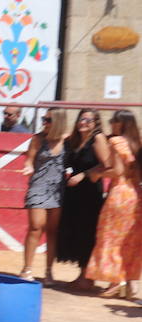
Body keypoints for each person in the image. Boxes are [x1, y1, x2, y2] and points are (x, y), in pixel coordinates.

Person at [84, 110, 142, 298]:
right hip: (135, 195)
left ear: (121, 123)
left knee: (111, 238)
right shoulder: (137, 144)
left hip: (119, 194)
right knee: (130, 241)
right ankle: (129, 286)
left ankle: (115, 282)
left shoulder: (116, 142)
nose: (111, 124)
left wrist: (97, 174)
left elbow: (116, 171)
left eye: (113, 121)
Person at [58, 109, 110, 286]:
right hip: (74, 193)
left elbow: (106, 165)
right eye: (82, 119)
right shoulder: (75, 140)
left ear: (96, 123)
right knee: (77, 231)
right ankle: (83, 274)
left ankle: (87, 277)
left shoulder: (98, 138)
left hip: (89, 193)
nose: (84, 122)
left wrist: (84, 175)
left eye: (89, 120)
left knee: (87, 231)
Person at [19, 108, 70, 282]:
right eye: (44, 119)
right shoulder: (37, 139)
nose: (44, 122)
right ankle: (27, 268)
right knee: (35, 227)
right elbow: (29, 159)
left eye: (48, 120)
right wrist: (28, 167)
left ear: (58, 122)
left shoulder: (67, 140)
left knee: (52, 231)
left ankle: (49, 271)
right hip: (38, 186)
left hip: (57, 189)